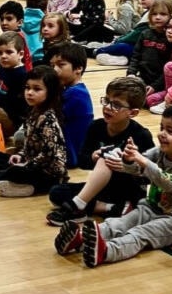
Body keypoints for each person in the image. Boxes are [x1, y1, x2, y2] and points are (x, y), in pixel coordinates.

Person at [54, 105, 172, 268]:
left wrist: (143, 161)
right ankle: (80, 238)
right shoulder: (159, 152)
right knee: (119, 223)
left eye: (170, 131)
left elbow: (171, 183)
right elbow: (136, 170)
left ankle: (106, 251)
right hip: (150, 208)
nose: (162, 134)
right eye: (161, 128)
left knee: (140, 233)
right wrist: (128, 159)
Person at [45, 76, 154, 226]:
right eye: (107, 100)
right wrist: (93, 157)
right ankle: (110, 208)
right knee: (57, 192)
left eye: (116, 105)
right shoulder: (96, 126)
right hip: (102, 188)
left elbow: (151, 175)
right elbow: (82, 161)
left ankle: (79, 207)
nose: (108, 107)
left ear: (133, 113)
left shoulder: (141, 135)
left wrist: (127, 168)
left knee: (107, 158)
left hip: (129, 190)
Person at [0, 65, 68, 198]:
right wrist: (20, 155)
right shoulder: (33, 112)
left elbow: (49, 153)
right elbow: (29, 143)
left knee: (15, 171)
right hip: (32, 163)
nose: (29, 92)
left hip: (48, 173)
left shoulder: (48, 119)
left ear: (50, 92)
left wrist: (27, 164)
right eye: (27, 88)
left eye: (37, 89)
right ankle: (22, 186)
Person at [48, 42, 93, 168]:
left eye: (61, 65)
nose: (55, 70)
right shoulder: (70, 90)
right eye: (52, 66)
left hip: (69, 155)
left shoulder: (75, 94)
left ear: (78, 68)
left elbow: (51, 120)